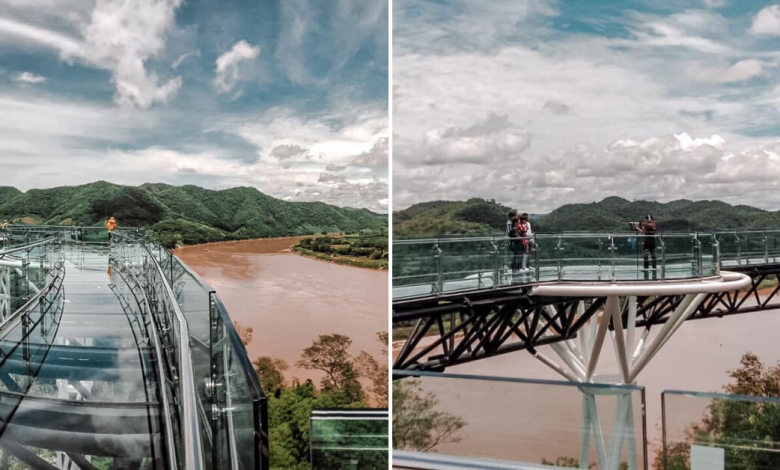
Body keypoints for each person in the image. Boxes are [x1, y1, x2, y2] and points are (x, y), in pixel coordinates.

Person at [636, 215, 657, 280]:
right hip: (652, 241)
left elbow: (643, 232)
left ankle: (646, 268)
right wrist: (641, 226)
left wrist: (637, 227)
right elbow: (646, 229)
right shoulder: (654, 224)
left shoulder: (648, 225)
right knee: (653, 255)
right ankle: (654, 267)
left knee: (645, 255)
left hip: (647, 241)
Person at [506, 210, 522, 274]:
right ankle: (515, 269)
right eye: (515, 216)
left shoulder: (513, 224)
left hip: (515, 241)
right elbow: (510, 233)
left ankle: (516, 268)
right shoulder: (510, 224)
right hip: (513, 242)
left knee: (516, 256)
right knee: (516, 256)